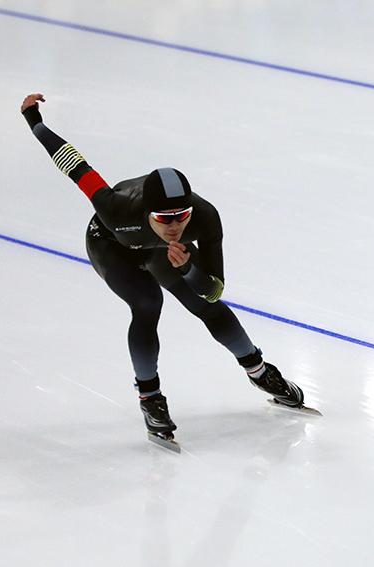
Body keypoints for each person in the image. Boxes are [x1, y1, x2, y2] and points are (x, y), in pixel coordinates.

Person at [19, 93, 305, 441]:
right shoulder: (117, 208)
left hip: (160, 251)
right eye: (165, 218)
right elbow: (74, 164)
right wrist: (35, 121)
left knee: (206, 304)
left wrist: (188, 270)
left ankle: (259, 371)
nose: (175, 226)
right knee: (148, 303)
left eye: (181, 217)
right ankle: (150, 397)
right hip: (111, 246)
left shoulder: (205, 218)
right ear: (146, 213)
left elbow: (214, 288)